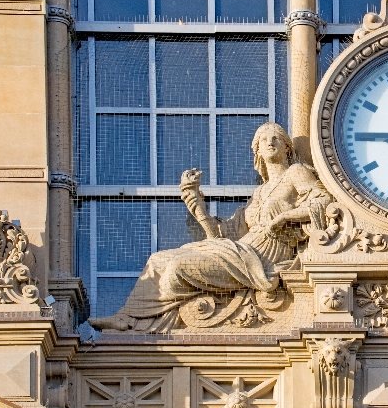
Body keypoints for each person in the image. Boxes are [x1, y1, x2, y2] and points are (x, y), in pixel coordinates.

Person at [89, 122, 331, 333]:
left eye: (276, 137)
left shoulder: (295, 173)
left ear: (288, 147)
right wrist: (197, 206)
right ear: (256, 150)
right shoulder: (259, 193)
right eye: (264, 139)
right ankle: (126, 319)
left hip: (263, 258)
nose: (270, 142)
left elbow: (322, 201)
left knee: (176, 269)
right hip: (240, 250)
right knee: (157, 260)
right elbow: (222, 234)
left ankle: (146, 323)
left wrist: (284, 217)